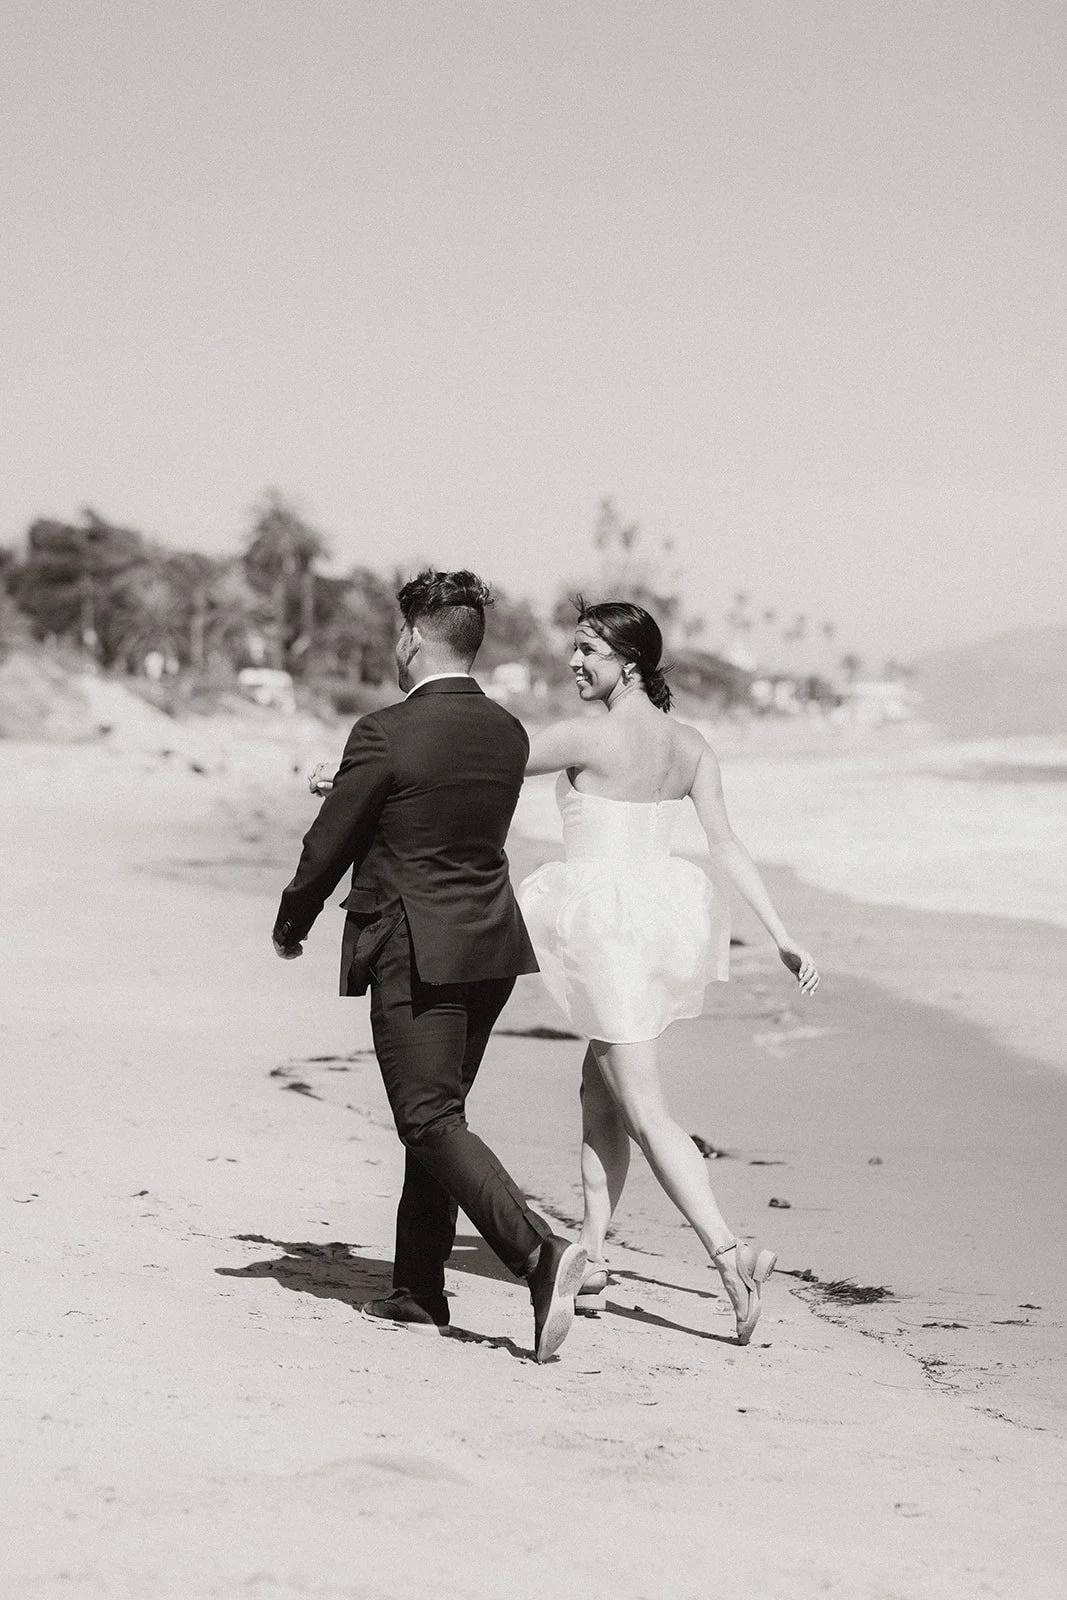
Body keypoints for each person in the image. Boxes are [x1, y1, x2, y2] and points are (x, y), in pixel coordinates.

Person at [272, 569, 587, 1362]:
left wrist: (291, 923)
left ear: (412, 637)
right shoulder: (507, 732)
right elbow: (434, 808)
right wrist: (353, 784)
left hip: (416, 946)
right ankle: (417, 1288)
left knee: (428, 1118)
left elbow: (332, 843)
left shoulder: (384, 731)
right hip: (490, 946)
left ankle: (537, 1254)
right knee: (439, 1114)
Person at [517, 600, 819, 1345]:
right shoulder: (690, 744)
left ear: (630, 662)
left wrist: (364, 777)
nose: (574, 662)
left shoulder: (585, 735)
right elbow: (726, 844)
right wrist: (780, 934)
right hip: (657, 925)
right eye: (574, 648)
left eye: (588, 650)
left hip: (606, 931)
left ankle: (730, 1254)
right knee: (598, 1089)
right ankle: (593, 1260)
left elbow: (477, 762)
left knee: (645, 1111)